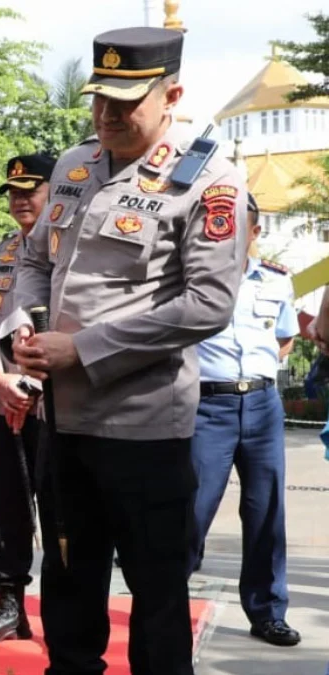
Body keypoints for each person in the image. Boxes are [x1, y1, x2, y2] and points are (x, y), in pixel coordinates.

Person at [10, 28, 248, 674]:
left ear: (171, 94)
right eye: (99, 101)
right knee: (67, 597)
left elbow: (207, 305)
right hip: (63, 428)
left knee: (158, 605)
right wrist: (23, 326)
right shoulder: (72, 166)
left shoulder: (210, 182)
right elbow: (33, 262)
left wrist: (81, 349)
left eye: (125, 103)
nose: (108, 116)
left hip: (145, 431)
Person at [187, 193, 301, 647]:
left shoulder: (277, 281)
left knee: (266, 511)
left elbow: (285, 338)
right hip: (205, 407)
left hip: (261, 405)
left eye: (240, 228)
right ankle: (168, 600)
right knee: (192, 510)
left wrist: (255, 373)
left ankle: (268, 611)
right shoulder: (191, 280)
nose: (228, 236)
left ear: (254, 232)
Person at [0, 153, 55, 645]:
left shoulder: (71, 249)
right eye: (13, 191)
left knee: (61, 511)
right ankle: (10, 605)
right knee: (7, 506)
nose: (21, 199)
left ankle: (66, 614)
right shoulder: (0, 253)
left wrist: (33, 385)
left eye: (31, 189)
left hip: (57, 404)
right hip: (5, 400)